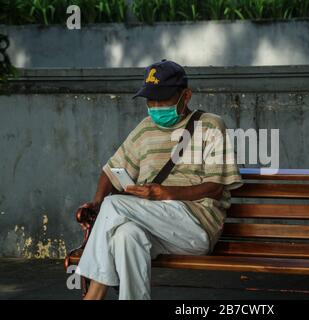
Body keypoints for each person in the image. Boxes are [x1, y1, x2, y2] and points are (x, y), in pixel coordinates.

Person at [76, 59, 242, 300]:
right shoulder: (144, 128)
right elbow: (111, 170)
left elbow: (216, 187)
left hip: (195, 226)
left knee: (114, 204)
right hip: (153, 224)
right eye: (150, 100)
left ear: (186, 95)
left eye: (162, 99)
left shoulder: (211, 126)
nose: (155, 106)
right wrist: (96, 201)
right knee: (126, 236)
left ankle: (94, 295)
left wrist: (164, 193)